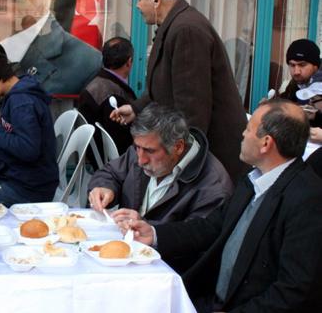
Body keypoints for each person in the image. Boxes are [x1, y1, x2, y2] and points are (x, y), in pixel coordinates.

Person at [128, 99, 322, 312]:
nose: (242, 134)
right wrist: (154, 234)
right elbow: (211, 227)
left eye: (248, 129)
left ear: (266, 143)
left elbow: (295, 290)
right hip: (209, 299)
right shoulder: (253, 179)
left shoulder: (306, 199)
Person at [111, 0, 248, 184]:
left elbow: (192, 107)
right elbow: (164, 88)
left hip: (213, 154)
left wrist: (184, 164)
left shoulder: (186, 30)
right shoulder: (176, 25)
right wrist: (135, 109)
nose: (137, 6)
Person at [88, 104, 232, 271]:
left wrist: (148, 227)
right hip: (122, 255)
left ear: (178, 147)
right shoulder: (143, 147)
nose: (141, 160)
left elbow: (196, 241)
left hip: (165, 271)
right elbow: (110, 172)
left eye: (149, 151)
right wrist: (105, 187)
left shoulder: (213, 185)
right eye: (137, 148)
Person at [0, 41, 58, 206]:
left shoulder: (22, 102)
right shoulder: (13, 96)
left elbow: (28, 149)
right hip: (16, 178)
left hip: (29, 189)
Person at [78, 37, 137, 158]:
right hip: (114, 163)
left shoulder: (96, 82)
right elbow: (121, 141)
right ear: (129, 62)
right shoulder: (114, 95)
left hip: (92, 157)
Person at [280, 38, 322, 103]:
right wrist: (271, 105)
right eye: (292, 65)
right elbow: (286, 100)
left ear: (315, 66)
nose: (296, 72)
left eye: (302, 65)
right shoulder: (297, 82)